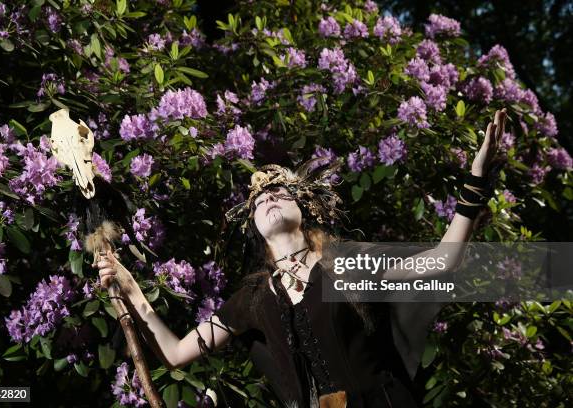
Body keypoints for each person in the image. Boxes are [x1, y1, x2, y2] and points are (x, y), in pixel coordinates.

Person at [96, 109, 508, 407]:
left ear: (303, 208)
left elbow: (444, 259)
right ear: (253, 225)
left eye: (280, 192)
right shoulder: (253, 298)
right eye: (259, 200)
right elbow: (174, 353)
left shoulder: (346, 263)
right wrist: (131, 288)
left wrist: (475, 182)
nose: (269, 196)